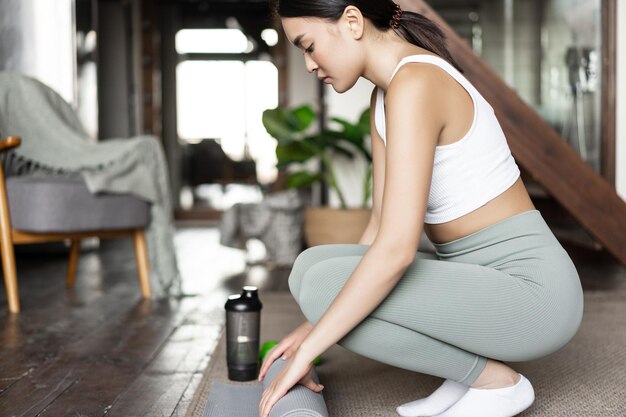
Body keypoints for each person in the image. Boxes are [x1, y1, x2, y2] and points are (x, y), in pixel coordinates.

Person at [258, 1, 584, 416]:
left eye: (308, 45)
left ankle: (496, 383)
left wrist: (312, 345)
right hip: (477, 280)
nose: (308, 64)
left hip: (536, 296)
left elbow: (396, 251)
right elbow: (378, 228)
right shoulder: (385, 95)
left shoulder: (416, 82)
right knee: (309, 269)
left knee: (322, 285)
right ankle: (472, 374)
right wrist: (311, 327)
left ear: (353, 22)